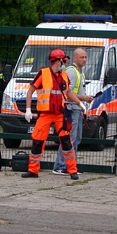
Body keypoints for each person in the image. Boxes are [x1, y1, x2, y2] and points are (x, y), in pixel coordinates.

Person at [22, 49, 80, 180]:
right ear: (58, 61)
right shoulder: (43, 74)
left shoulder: (64, 75)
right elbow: (30, 91)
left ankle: (72, 170)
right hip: (45, 114)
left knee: (66, 142)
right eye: (63, 61)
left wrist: (80, 104)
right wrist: (28, 109)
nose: (64, 63)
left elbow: (69, 92)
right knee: (37, 141)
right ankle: (33, 170)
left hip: (60, 114)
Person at [53, 49, 94, 175]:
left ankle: (71, 165)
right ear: (75, 58)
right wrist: (83, 99)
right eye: (81, 57)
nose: (84, 59)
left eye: (86, 57)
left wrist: (83, 103)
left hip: (77, 109)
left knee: (76, 139)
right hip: (71, 109)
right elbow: (67, 91)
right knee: (69, 139)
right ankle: (61, 165)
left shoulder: (80, 73)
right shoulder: (72, 72)